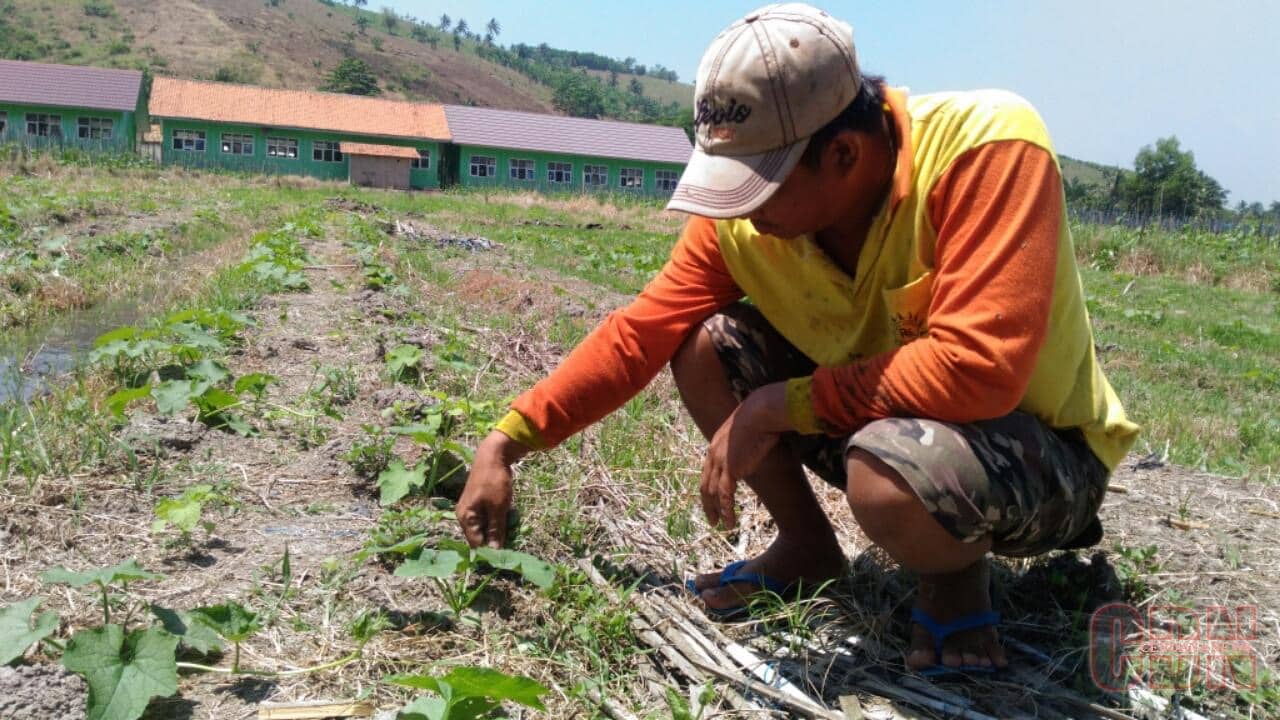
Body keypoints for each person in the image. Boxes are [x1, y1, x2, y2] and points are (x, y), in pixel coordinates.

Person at [456, 3, 1138, 673]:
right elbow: (641, 333)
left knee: (885, 471)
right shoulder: (746, 224)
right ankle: (809, 547)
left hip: (1040, 455)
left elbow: (979, 369)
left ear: (843, 153)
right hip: (885, 426)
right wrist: (507, 441)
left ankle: (955, 578)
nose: (740, 210)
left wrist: (777, 406)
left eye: (757, 186)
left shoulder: (985, 149)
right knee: (705, 344)